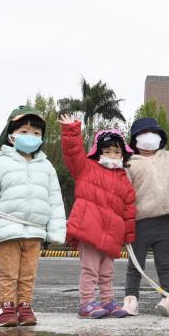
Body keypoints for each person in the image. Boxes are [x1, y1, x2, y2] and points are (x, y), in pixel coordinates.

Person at [0, 106, 67, 327]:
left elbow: (55, 200)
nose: (31, 137)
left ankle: (24, 306)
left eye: (36, 133)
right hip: (7, 229)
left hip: (34, 230)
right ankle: (6, 306)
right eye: (25, 131)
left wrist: (55, 232)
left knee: (28, 273)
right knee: (9, 273)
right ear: (11, 135)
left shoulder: (47, 167)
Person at [60, 116, 136, 319]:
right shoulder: (86, 168)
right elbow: (73, 153)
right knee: (90, 270)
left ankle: (107, 301)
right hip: (90, 229)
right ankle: (86, 303)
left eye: (117, 151)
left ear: (123, 155)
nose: (113, 155)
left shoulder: (124, 180)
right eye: (107, 151)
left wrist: (127, 237)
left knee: (107, 272)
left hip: (111, 234)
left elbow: (128, 210)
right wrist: (71, 131)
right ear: (98, 153)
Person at [121, 109, 169, 317]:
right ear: (135, 140)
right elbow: (122, 194)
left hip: (164, 221)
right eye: (143, 133)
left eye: (153, 132)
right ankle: (131, 299)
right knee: (135, 265)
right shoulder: (129, 163)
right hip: (140, 221)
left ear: (160, 137)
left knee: (165, 264)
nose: (149, 136)